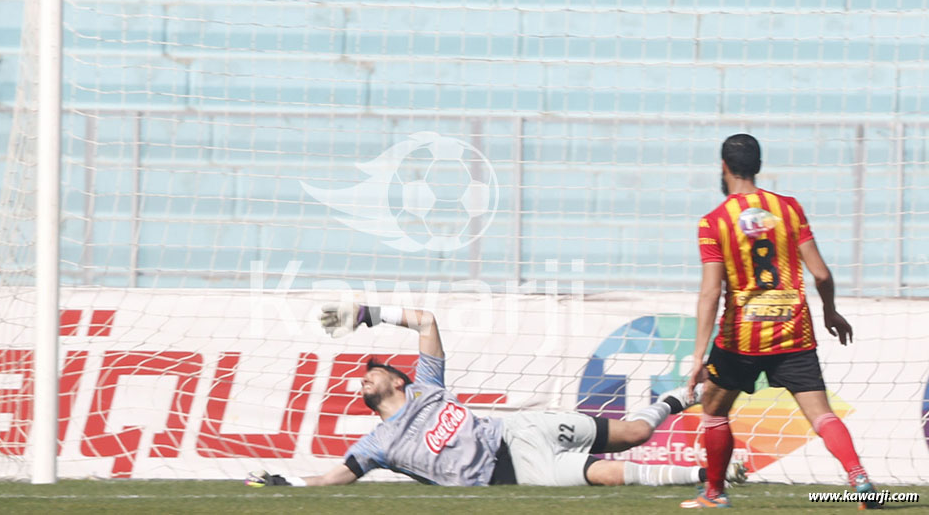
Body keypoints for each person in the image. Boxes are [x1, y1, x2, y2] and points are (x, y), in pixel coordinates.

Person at [247, 302, 745, 489]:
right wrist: (283, 482)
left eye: (372, 371)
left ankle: (683, 397)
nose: (364, 377)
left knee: (634, 433)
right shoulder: (376, 445)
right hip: (513, 473)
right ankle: (713, 476)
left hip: (521, 431)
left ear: (398, 380)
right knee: (610, 476)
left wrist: (366, 314)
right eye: (363, 377)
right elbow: (333, 477)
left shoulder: (428, 388)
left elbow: (425, 320)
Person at [681, 134, 880, 509]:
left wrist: (697, 358)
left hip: (740, 339)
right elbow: (820, 274)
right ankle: (859, 476)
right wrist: (830, 311)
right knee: (821, 415)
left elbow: (710, 293)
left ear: (723, 167)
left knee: (714, 410)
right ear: (758, 166)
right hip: (794, 332)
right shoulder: (788, 209)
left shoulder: (714, 222)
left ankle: (714, 494)